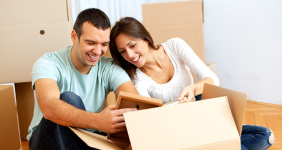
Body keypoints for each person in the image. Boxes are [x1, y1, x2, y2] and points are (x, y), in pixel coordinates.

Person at [109, 17, 275, 150]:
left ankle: (221, 140)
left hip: (199, 114)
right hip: (176, 131)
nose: (130, 55)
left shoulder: (174, 45)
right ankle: (223, 141)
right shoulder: (136, 79)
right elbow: (153, 119)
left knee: (265, 135)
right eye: (122, 51)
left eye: (132, 45)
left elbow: (212, 79)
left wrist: (193, 89)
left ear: (144, 38)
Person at [27, 9, 138, 150]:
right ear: (74, 36)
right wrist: (98, 120)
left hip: (90, 139)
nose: (98, 51)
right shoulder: (48, 63)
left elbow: (135, 102)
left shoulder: (108, 67)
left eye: (104, 44)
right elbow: (49, 107)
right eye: (91, 43)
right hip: (47, 140)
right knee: (69, 99)